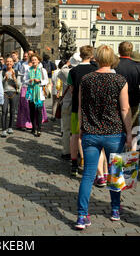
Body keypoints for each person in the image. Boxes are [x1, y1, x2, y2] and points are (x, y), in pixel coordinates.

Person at [75, 45, 132, 229]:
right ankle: (115, 209)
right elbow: (125, 109)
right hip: (114, 133)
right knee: (115, 173)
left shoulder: (86, 79)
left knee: (88, 175)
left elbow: (81, 107)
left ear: (97, 58)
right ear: (112, 59)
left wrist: (81, 128)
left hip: (91, 133)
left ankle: (82, 216)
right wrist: (129, 133)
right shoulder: (119, 80)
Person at [67, 47, 97, 177]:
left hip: (76, 107)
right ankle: (88, 163)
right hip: (92, 109)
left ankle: (74, 164)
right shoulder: (96, 70)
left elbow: (71, 90)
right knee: (91, 136)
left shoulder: (73, 71)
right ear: (91, 56)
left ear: (80, 55)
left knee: (75, 135)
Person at [115, 41, 140, 149]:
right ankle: (131, 155)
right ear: (131, 51)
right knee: (133, 129)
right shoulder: (137, 66)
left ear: (119, 51)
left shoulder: (114, 65)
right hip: (133, 101)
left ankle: (117, 152)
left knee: (117, 129)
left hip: (116, 102)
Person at [25, 53, 49, 137]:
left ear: (38, 61)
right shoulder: (28, 70)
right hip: (31, 93)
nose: (34, 61)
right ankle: (33, 127)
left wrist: (39, 81)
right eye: (32, 60)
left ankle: (39, 129)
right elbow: (25, 80)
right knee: (32, 111)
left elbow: (46, 81)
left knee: (39, 111)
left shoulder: (43, 70)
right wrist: (30, 81)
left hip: (39, 93)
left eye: (35, 59)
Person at [57, 54, 72, 160]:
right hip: (77, 104)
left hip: (68, 103)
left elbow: (61, 70)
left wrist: (67, 64)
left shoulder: (68, 71)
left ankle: (66, 151)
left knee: (66, 130)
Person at [1, 57, 21, 137]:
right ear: (5, 63)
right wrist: (5, 78)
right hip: (5, 93)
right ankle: (3, 129)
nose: (9, 63)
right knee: (4, 110)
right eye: (7, 61)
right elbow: (0, 84)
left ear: (13, 63)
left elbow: (19, 85)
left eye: (10, 62)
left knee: (12, 111)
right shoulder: (2, 72)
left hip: (14, 93)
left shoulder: (16, 72)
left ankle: (10, 127)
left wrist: (14, 78)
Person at [16, 51, 34, 130]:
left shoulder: (37, 64)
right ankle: (23, 123)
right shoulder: (24, 65)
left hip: (34, 87)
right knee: (24, 106)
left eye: (30, 54)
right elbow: (20, 76)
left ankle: (31, 122)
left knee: (32, 106)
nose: (29, 56)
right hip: (25, 87)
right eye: (28, 54)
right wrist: (19, 86)